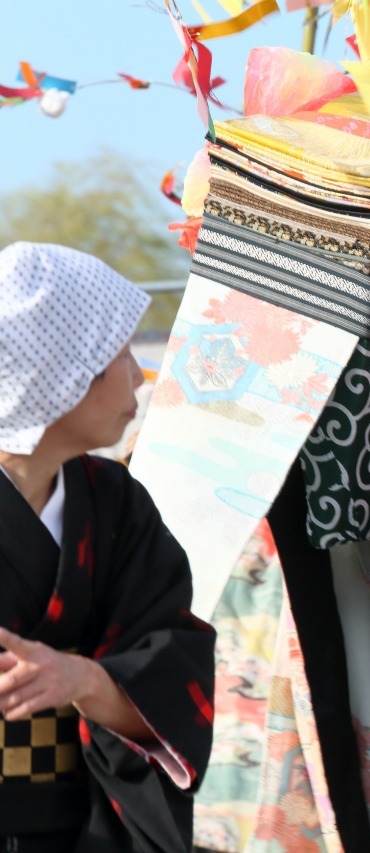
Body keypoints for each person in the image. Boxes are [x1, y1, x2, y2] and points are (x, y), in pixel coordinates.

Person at [0, 243, 216, 850]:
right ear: (62, 377)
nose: (141, 376)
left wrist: (83, 681)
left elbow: (173, 671)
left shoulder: (116, 503)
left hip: (89, 829)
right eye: (120, 355)